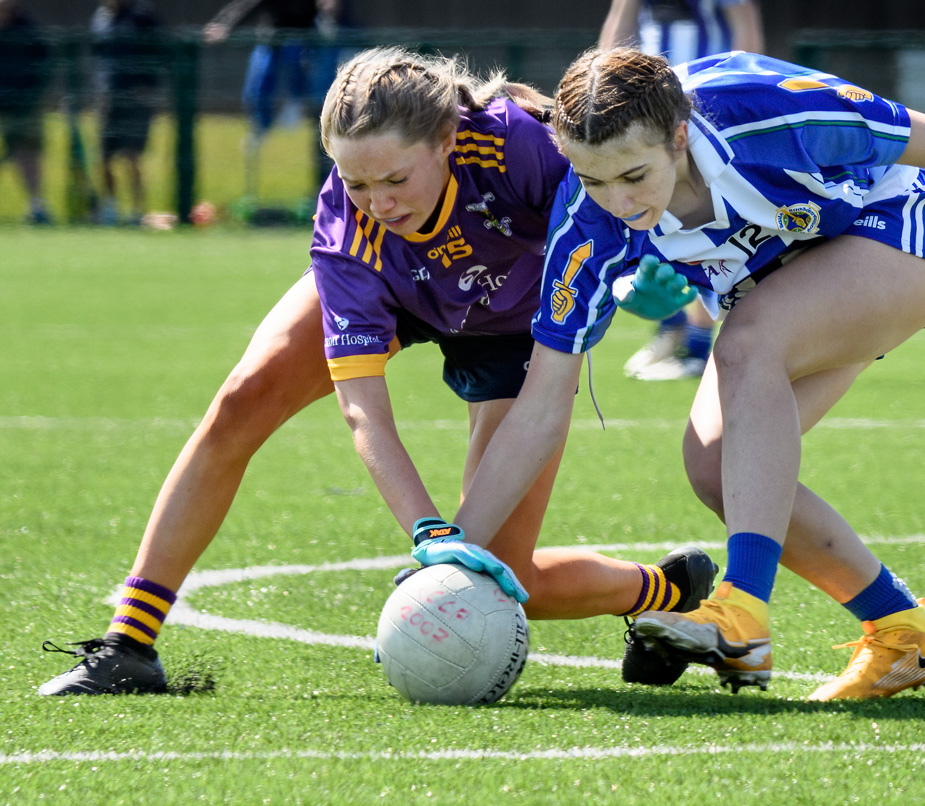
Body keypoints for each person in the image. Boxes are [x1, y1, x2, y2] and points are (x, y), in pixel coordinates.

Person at [424, 47, 925, 699]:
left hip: (895, 240)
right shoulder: (586, 217)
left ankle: (740, 616)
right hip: (784, 293)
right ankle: (904, 634)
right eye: (592, 179)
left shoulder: (763, 111)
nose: (617, 201)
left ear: (679, 132)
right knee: (716, 468)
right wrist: (453, 549)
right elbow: (541, 402)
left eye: (634, 176)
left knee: (746, 342)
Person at [37, 46, 717, 696]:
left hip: (518, 324)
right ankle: (129, 644)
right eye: (355, 182)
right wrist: (430, 533)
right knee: (242, 399)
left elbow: (621, 203)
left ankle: (664, 591)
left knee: (506, 578)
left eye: (395, 179)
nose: (380, 202)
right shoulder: (350, 230)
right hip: (398, 292)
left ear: (446, 141)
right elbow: (362, 406)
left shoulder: (520, 147)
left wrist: (646, 272)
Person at [600, 0, 765, 381]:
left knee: (700, 220)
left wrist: (745, 95)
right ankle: (673, 330)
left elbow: (745, 22)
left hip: (704, 106)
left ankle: (695, 347)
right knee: (655, 217)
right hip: (646, 108)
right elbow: (622, 17)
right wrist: (604, 91)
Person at [202, 0, 348, 197]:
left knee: (317, 91)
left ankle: (295, 106)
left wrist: (330, 8)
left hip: (307, 43)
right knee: (259, 85)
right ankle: (260, 123)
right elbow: (247, 5)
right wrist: (224, 25)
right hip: (274, 42)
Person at [91, 0, 163, 226]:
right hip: (108, 97)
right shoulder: (100, 18)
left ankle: (136, 210)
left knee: (132, 155)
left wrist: (147, 85)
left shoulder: (142, 17)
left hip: (136, 99)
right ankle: (110, 208)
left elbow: (159, 52)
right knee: (104, 157)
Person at [0, 0, 53, 225]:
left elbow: (45, 64)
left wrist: (34, 96)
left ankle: (36, 206)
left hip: (25, 105)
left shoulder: (29, 29)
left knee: (27, 155)